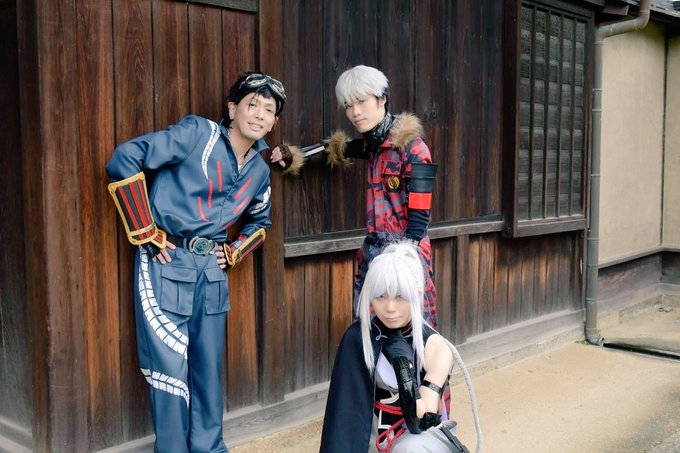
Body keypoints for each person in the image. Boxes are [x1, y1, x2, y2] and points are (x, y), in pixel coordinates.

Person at [106, 72, 299, 452]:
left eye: (269, 110)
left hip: (211, 273)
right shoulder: (198, 133)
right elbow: (125, 158)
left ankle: (210, 448)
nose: (259, 114)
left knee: (208, 368)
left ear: (274, 122)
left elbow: (260, 222)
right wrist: (144, 230)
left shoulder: (259, 171)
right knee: (169, 371)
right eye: (252, 104)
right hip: (165, 262)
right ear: (233, 108)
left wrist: (234, 251)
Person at [320, 242, 480, 453]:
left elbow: (421, 422)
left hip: (420, 439)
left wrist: (404, 368)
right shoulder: (358, 338)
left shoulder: (436, 347)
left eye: (400, 296)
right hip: (373, 439)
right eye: (380, 296)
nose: (389, 308)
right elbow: (343, 418)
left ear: (417, 293)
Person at [327, 65, 439, 327]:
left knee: (412, 329)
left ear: (382, 99)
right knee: (368, 328)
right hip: (373, 250)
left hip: (406, 251)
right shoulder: (372, 145)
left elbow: (420, 217)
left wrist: (404, 260)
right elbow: (334, 150)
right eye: (349, 105)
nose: (355, 112)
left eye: (362, 101)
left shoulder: (413, 148)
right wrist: (292, 157)